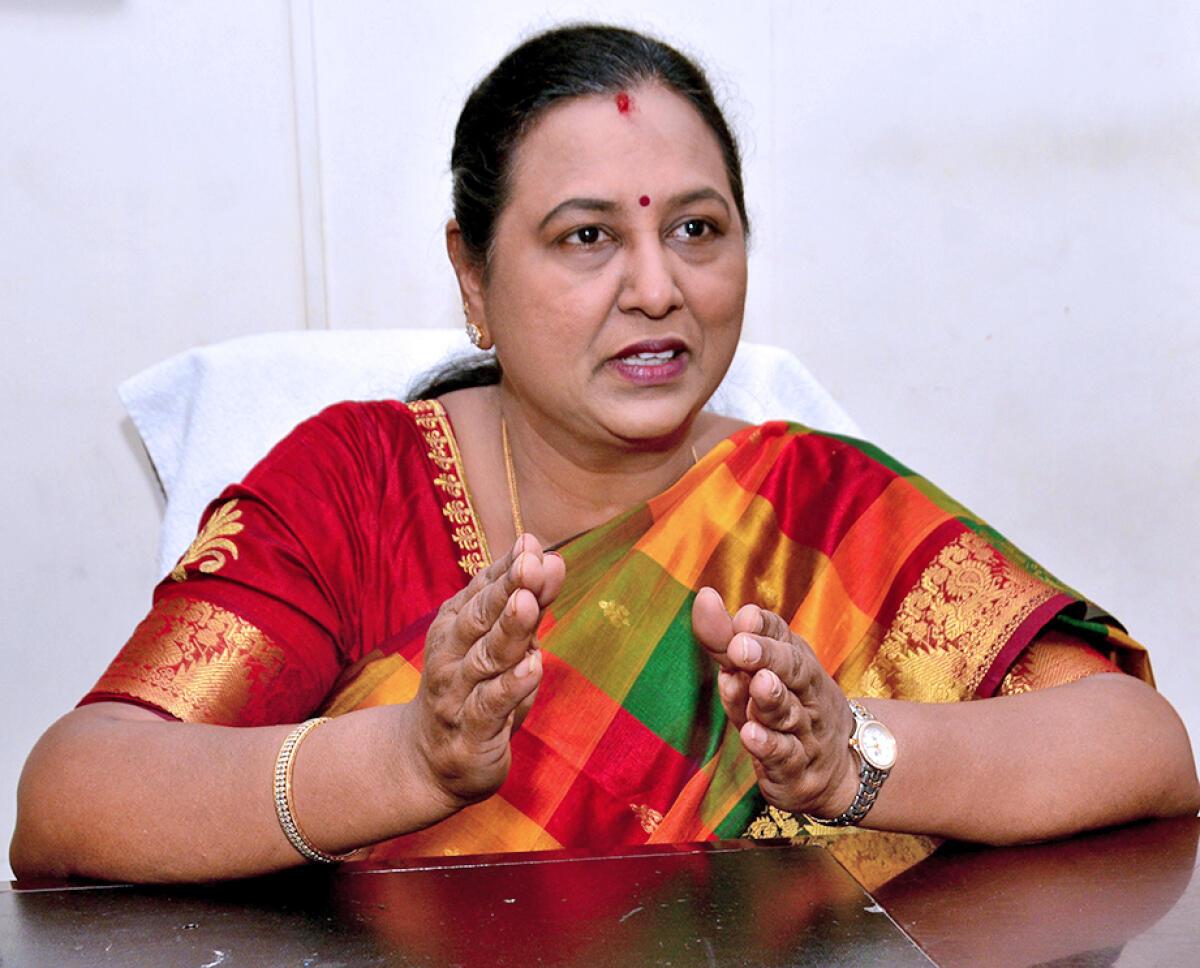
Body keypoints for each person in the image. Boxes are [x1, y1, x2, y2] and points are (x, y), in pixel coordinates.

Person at [10, 24, 1198, 884]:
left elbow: (1141, 745)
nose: (656, 287)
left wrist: (855, 760)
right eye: (586, 237)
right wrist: (406, 759)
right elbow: (73, 796)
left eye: (697, 228)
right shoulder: (359, 485)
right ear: (473, 277)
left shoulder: (817, 500)